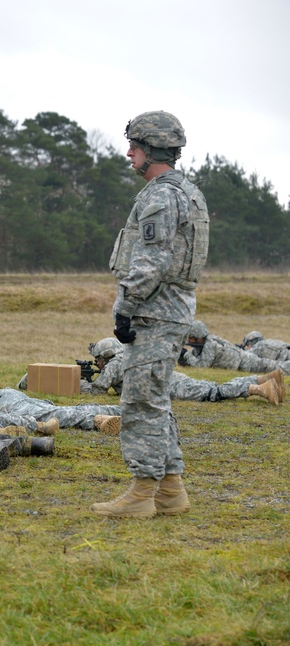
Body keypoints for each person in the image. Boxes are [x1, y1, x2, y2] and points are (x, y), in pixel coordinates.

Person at [91, 110, 209, 519]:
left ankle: (142, 494)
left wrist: (124, 304)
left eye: (134, 148)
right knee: (156, 399)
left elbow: (151, 260)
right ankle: (170, 490)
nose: (128, 155)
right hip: (170, 310)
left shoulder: (161, 194)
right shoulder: (188, 191)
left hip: (156, 311)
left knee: (141, 401)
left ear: (150, 151)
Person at [83, 338, 283, 405]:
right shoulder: (129, 355)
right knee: (210, 386)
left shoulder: (116, 364)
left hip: (169, 387)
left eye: (99, 359)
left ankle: (259, 389)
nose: (98, 364)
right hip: (171, 379)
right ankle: (263, 378)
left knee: (213, 393)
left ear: (106, 356)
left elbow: (98, 390)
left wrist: (80, 383)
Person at [182, 321, 290, 374]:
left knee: (278, 368)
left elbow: (202, 366)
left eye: (191, 337)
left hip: (248, 363)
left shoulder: (211, 344)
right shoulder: (202, 345)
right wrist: (184, 358)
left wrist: (185, 355)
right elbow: (195, 359)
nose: (189, 341)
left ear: (199, 336)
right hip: (245, 362)